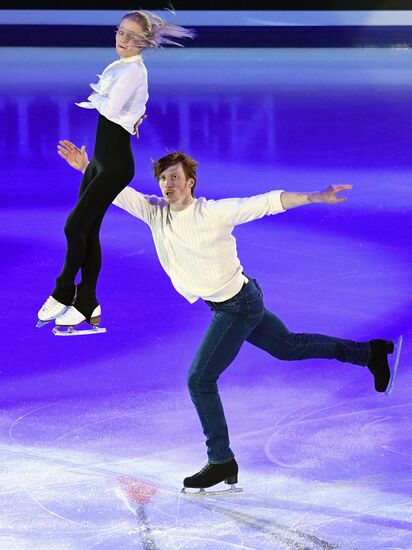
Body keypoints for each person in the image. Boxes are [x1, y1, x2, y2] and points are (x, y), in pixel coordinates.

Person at [57, 140, 396, 492]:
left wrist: (314, 196)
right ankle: (370, 353)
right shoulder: (155, 212)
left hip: (238, 305)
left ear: (190, 182)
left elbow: (265, 202)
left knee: (199, 380)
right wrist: (86, 168)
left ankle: (221, 460)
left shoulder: (212, 213)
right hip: (232, 302)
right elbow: (117, 192)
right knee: (289, 347)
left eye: (175, 177)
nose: (167, 185)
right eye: (163, 179)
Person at [37, 11, 193, 331]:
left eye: (131, 36)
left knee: (74, 225)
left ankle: (64, 290)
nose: (122, 39)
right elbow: (117, 109)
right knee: (88, 231)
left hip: (116, 166)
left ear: (144, 42)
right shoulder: (122, 67)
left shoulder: (134, 71)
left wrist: (129, 113)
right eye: (121, 32)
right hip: (99, 161)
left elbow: (110, 108)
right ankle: (88, 303)